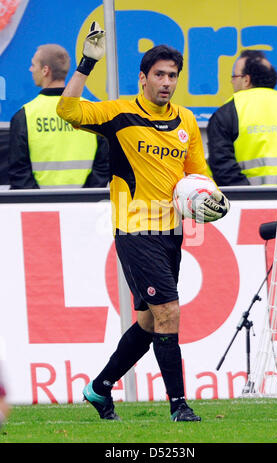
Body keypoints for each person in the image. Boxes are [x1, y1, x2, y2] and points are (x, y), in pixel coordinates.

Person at [57, 22, 230, 422]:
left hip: (171, 233)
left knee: (151, 323)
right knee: (169, 312)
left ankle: (99, 389)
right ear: (143, 78)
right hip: (135, 231)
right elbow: (66, 110)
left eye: (173, 76)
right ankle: (179, 406)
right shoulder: (119, 113)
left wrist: (213, 198)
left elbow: (199, 174)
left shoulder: (186, 121)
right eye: (160, 75)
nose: (167, 82)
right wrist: (86, 64)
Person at [8, 44, 110, 189]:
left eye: (33, 64)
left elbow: (19, 172)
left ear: (45, 70)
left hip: (40, 208)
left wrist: (38, 201)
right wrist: (87, 197)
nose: (31, 69)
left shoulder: (25, 115)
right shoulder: (90, 111)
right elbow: (103, 166)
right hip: (86, 206)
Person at [207, 49, 277, 186]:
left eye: (234, 76)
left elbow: (222, 165)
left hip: (244, 201)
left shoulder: (226, 112)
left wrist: (247, 195)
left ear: (246, 80)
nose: (232, 81)